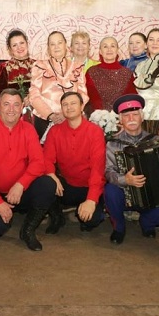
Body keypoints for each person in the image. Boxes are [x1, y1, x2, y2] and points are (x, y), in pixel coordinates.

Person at [0, 89, 56, 251]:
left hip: (19, 191)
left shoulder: (28, 129)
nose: (11, 109)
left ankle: (28, 230)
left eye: (16, 105)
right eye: (6, 104)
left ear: (22, 107)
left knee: (47, 184)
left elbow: (38, 162)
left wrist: (21, 184)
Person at [104, 94, 159, 244]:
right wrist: (125, 180)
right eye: (126, 116)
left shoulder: (155, 140)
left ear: (142, 117)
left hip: (151, 193)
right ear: (120, 120)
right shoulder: (113, 144)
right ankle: (119, 227)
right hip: (125, 193)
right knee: (110, 191)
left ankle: (147, 223)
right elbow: (108, 172)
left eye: (135, 114)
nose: (131, 118)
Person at [42, 92, 106, 234]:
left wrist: (91, 199)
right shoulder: (55, 131)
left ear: (82, 106)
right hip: (66, 185)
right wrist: (51, 175)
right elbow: (46, 159)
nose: (69, 107)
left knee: (91, 220)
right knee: (45, 182)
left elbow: (98, 169)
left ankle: (82, 210)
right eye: (65, 104)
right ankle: (57, 217)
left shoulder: (95, 131)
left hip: (89, 185)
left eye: (73, 103)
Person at [29, 31, 89, 139]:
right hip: (44, 119)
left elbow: (83, 94)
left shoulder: (77, 67)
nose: (56, 47)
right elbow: (34, 95)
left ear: (66, 45)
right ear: (48, 48)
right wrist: (50, 115)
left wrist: (67, 113)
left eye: (59, 43)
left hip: (73, 118)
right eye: (52, 44)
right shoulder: (39, 66)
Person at [85, 36, 137, 113]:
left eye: (112, 46)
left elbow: (132, 99)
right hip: (96, 116)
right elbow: (90, 98)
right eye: (105, 46)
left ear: (117, 50)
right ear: (100, 51)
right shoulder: (91, 72)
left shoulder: (127, 73)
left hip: (122, 116)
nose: (109, 49)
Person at [0, 28, 36, 105]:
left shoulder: (38, 65)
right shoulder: (3, 67)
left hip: (37, 108)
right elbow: (1, 97)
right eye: (14, 45)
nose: (19, 47)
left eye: (22, 43)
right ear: (10, 49)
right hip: (12, 108)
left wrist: (32, 98)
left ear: (27, 44)